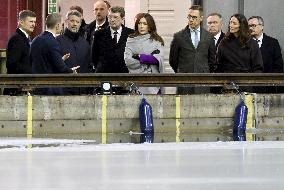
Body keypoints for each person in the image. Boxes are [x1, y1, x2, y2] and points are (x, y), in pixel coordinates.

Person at [169, 5, 215, 94]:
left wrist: (204, 71)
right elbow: (173, 60)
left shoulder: (209, 37)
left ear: (201, 18)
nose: (191, 20)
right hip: (184, 80)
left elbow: (212, 60)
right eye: (189, 17)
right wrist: (182, 71)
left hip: (203, 81)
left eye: (194, 17)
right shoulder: (178, 36)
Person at [30, 13, 79, 95]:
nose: (62, 27)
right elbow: (61, 68)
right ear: (57, 26)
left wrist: (61, 59)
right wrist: (71, 71)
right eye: (62, 24)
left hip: (36, 87)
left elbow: (34, 61)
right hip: (49, 88)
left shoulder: (35, 40)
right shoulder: (53, 42)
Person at [216, 14, 263, 92]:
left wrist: (251, 84)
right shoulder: (224, 43)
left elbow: (258, 67)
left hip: (246, 85)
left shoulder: (251, 43)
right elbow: (218, 65)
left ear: (241, 26)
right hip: (228, 85)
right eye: (230, 22)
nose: (231, 25)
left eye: (234, 23)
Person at [124, 13, 164, 94]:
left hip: (152, 83)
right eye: (139, 23)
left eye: (144, 24)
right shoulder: (131, 39)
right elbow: (128, 60)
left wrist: (140, 57)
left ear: (149, 26)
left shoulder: (157, 40)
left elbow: (158, 59)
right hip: (135, 81)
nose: (141, 26)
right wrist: (146, 63)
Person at [57, 10, 91, 95]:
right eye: (72, 21)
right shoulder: (57, 41)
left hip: (83, 90)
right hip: (63, 89)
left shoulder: (85, 44)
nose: (75, 24)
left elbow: (89, 67)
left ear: (80, 24)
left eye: (77, 22)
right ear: (66, 21)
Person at [4, 10, 36, 95]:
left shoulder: (24, 38)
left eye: (34, 22)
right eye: (31, 21)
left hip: (22, 87)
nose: (33, 24)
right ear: (21, 22)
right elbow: (11, 64)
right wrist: (29, 71)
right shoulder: (17, 39)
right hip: (16, 89)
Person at [207, 12, 225, 93]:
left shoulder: (228, 40)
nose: (212, 25)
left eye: (215, 22)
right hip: (205, 81)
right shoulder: (201, 40)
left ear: (221, 24)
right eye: (210, 23)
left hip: (222, 81)